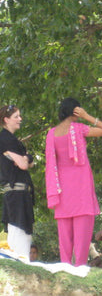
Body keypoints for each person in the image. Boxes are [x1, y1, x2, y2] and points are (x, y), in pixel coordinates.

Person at [45, 97, 102, 266]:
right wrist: (87, 116)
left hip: (61, 191)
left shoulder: (51, 133)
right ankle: (80, 268)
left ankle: (65, 270)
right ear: (76, 111)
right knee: (82, 235)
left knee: (65, 238)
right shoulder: (79, 128)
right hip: (81, 188)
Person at [0, 105, 35, 258]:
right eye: (16, 117)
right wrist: (26, 158)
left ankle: (20, 264)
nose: (20, 119)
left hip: (19, 193)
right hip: (16, 193)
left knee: (22, 233)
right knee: (18, 232)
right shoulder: (5, 139)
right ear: (6, 120)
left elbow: (27, 162)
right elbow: (23, 164)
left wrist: (26, 158)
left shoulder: (13, 140)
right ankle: (19, 266)